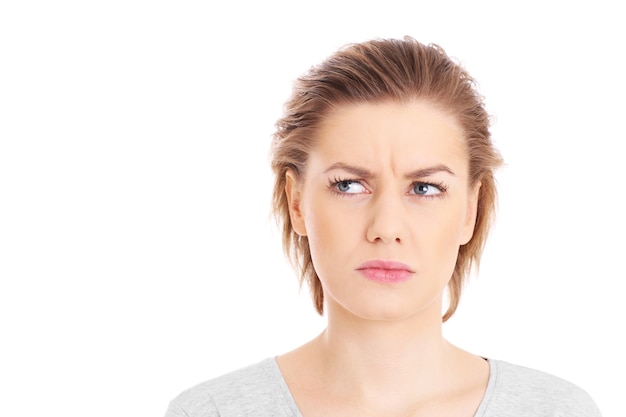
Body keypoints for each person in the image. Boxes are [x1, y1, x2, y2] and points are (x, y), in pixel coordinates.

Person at [164, 36, 601, 416]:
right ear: (297, 202)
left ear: (471, 208)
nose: (386, 227)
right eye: (349, 185)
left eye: (426, 188)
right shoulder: (211, 412)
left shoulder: (558, 411)